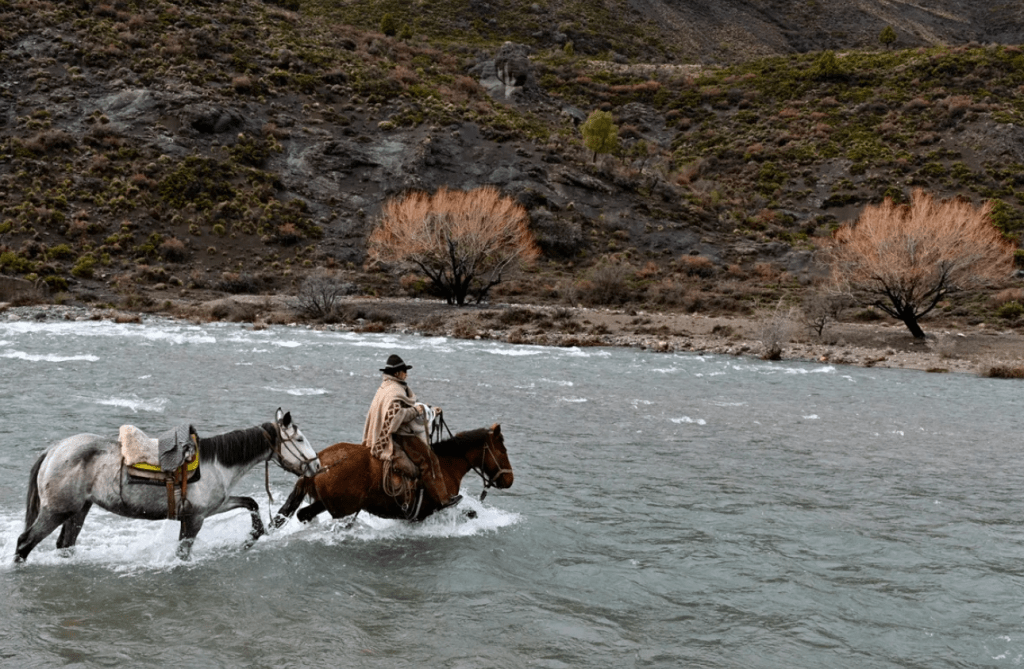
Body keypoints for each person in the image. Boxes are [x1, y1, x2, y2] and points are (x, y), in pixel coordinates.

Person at [362, 354, 461, 510]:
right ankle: (442, 499)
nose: (406, 374)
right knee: (430, 460)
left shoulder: (386, 388)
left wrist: (429, 410)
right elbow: (396, 417)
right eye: (403, 371)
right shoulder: (395, 390)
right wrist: (416, 410)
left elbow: (402, 410)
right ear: (396, 373)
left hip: (392, 433)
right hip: (400, 436)